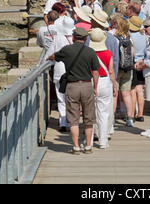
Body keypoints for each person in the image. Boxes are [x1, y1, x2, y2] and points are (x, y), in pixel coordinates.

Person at [47, 27, 100, 155]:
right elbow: (96, 73)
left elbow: (54, 56)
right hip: (87, 85)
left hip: (72, 86)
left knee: (73, 117)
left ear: (73, 37)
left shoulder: (67, 50)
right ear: (86, 39)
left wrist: (48, 58)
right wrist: (95, 88)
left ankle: (76, 146)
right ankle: (88, 146)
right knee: (89, 118)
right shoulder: (91, 52)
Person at [89, 28, 117, 149]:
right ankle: (103, 141)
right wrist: (114, 86)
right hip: (104, 80)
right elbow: (111, 71)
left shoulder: (89, 53)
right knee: (104, 112)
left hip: (90, 80)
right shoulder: (108, 53)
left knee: (90, 111)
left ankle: (90, 139)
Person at [46, 16, 76, 132]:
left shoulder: (58, 37)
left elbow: (49, 54)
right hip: (73, 70)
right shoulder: (75, 37)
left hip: (59, 69)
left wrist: (44, 61)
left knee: (61, 97)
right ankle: (72, 121)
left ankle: (63, 122)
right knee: (73, 98)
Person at [114, 18, 135, 127]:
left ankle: (112, 120)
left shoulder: (115, 39)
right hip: (128, 68)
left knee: (115, 94)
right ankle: (130, 118)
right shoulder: (129, 38)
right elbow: (134, 55)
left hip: (117, 69)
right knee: (126, 94)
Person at [129, 16, 147, 122]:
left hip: (133, 62)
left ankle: (131, 114)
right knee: (140, 90)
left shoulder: (131, 35)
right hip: (141, 62)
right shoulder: (143, 35)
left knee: (132, 90)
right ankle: (140, 113)